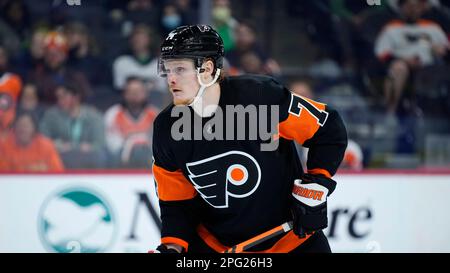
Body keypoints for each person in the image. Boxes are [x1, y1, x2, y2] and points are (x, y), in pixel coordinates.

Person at [150, 25, 347, 253]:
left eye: (180, 70)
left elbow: (326, 127)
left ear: (207, 69)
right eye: (168, 70)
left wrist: (317, 183)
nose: (170, 79)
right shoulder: (167, 127)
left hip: (294, 241)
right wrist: (172, 247)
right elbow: (175, 201)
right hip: (218, 246)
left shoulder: (260, 97)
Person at [40, 83, 106, 169]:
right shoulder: (51, 115)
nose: (59, 101)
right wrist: (58, 145)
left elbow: (100, 143)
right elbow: (42, 139)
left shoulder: (94, 116)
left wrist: (89, 147)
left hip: (87, 157)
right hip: (60, 156)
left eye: (63, 97)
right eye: (58, 97)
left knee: (100, 155)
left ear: (76, 97)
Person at [104, 76, 159, 168]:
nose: (135, 94)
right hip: (121, 158)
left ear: (145, 94)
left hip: (149, 158)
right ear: (125, 94)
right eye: (131, 91)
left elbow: (159, 143)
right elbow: (111, 143)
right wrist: (130, 144)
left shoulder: (155, 115)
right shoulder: (113, 114)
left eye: (138, 91)